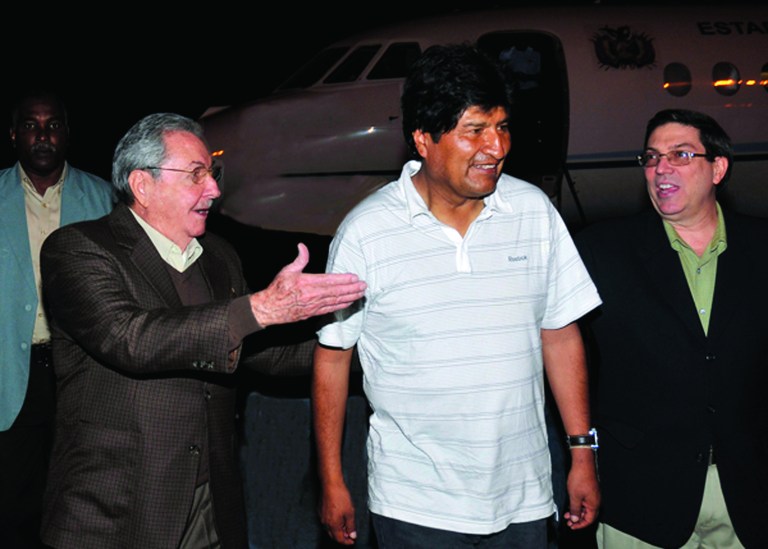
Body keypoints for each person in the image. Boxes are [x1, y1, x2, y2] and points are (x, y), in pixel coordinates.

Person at [312, 43, 602, 548]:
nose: (497, 146)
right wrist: (332, 481)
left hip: (524, 496)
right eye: (475, 130)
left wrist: (581, 455)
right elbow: (333, 359)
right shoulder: (367, 232)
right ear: (423, 139)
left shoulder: (533, 213)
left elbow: (559, 334)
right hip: (415, 502)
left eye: (503, 126)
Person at [38, 112, 367, 549]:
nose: (213, 189)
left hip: (209, 505)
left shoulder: (217, 255)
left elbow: (260, 351)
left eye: (212, 174)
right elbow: (130, 338)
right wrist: (261, 307)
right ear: (142, 185)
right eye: (196, 175)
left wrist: (374, 349)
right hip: (116, 512)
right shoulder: (79, 249)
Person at [575, 108, 766, 548]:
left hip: (749, 493)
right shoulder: (602, 252)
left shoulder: (761, 248)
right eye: (651, 157)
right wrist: (580, 453)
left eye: (680, 154)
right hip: (643, 495)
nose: (661, 168)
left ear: (718, 167)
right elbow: (558, 346)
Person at [0, 89, 114, 548]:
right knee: (13, 505)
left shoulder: (104, 198)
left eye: (52, 125)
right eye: (31, 124)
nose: (42, 135)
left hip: (83, 375)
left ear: (67, 134)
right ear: (14, 135)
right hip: (11, 377)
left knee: (77, 501)